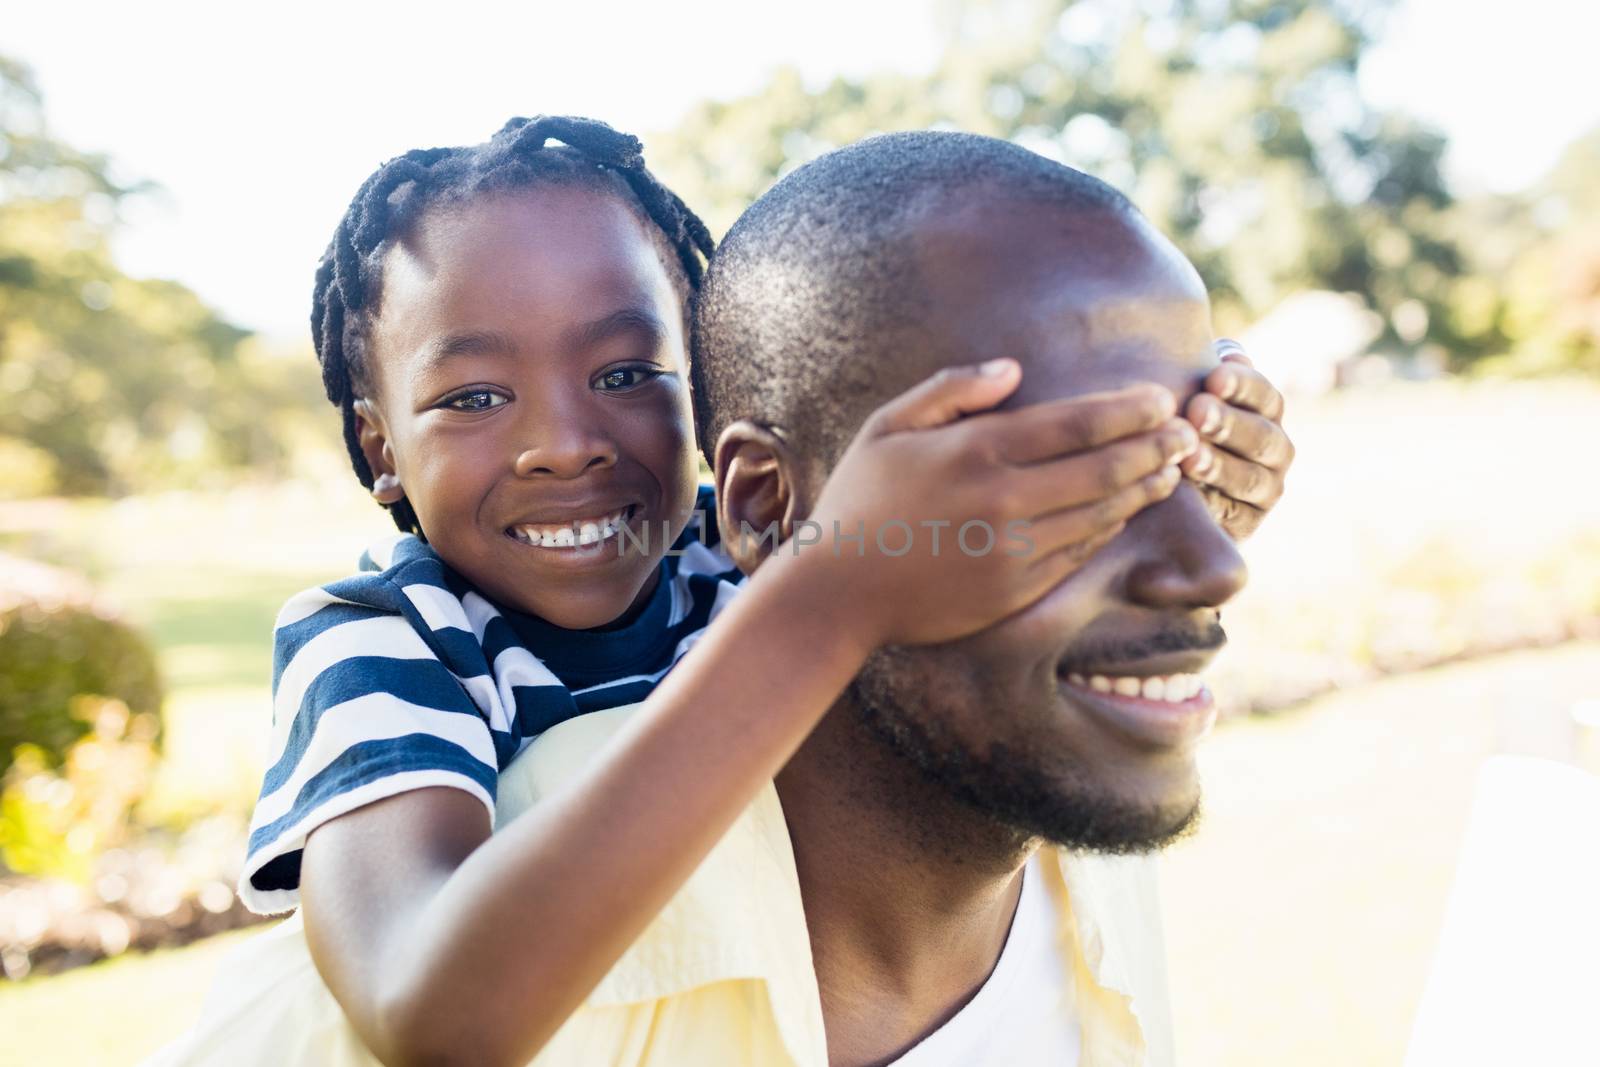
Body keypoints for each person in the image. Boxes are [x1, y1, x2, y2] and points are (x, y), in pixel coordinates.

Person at [152, 119, 1291, 1066]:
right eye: (472, 396)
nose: (562, 442)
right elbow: (428, 1007)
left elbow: (932, 506)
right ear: (378, 446)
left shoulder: (726, 549)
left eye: (626, 374)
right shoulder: (386, 640)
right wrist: (828, 589)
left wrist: (1177, 452)